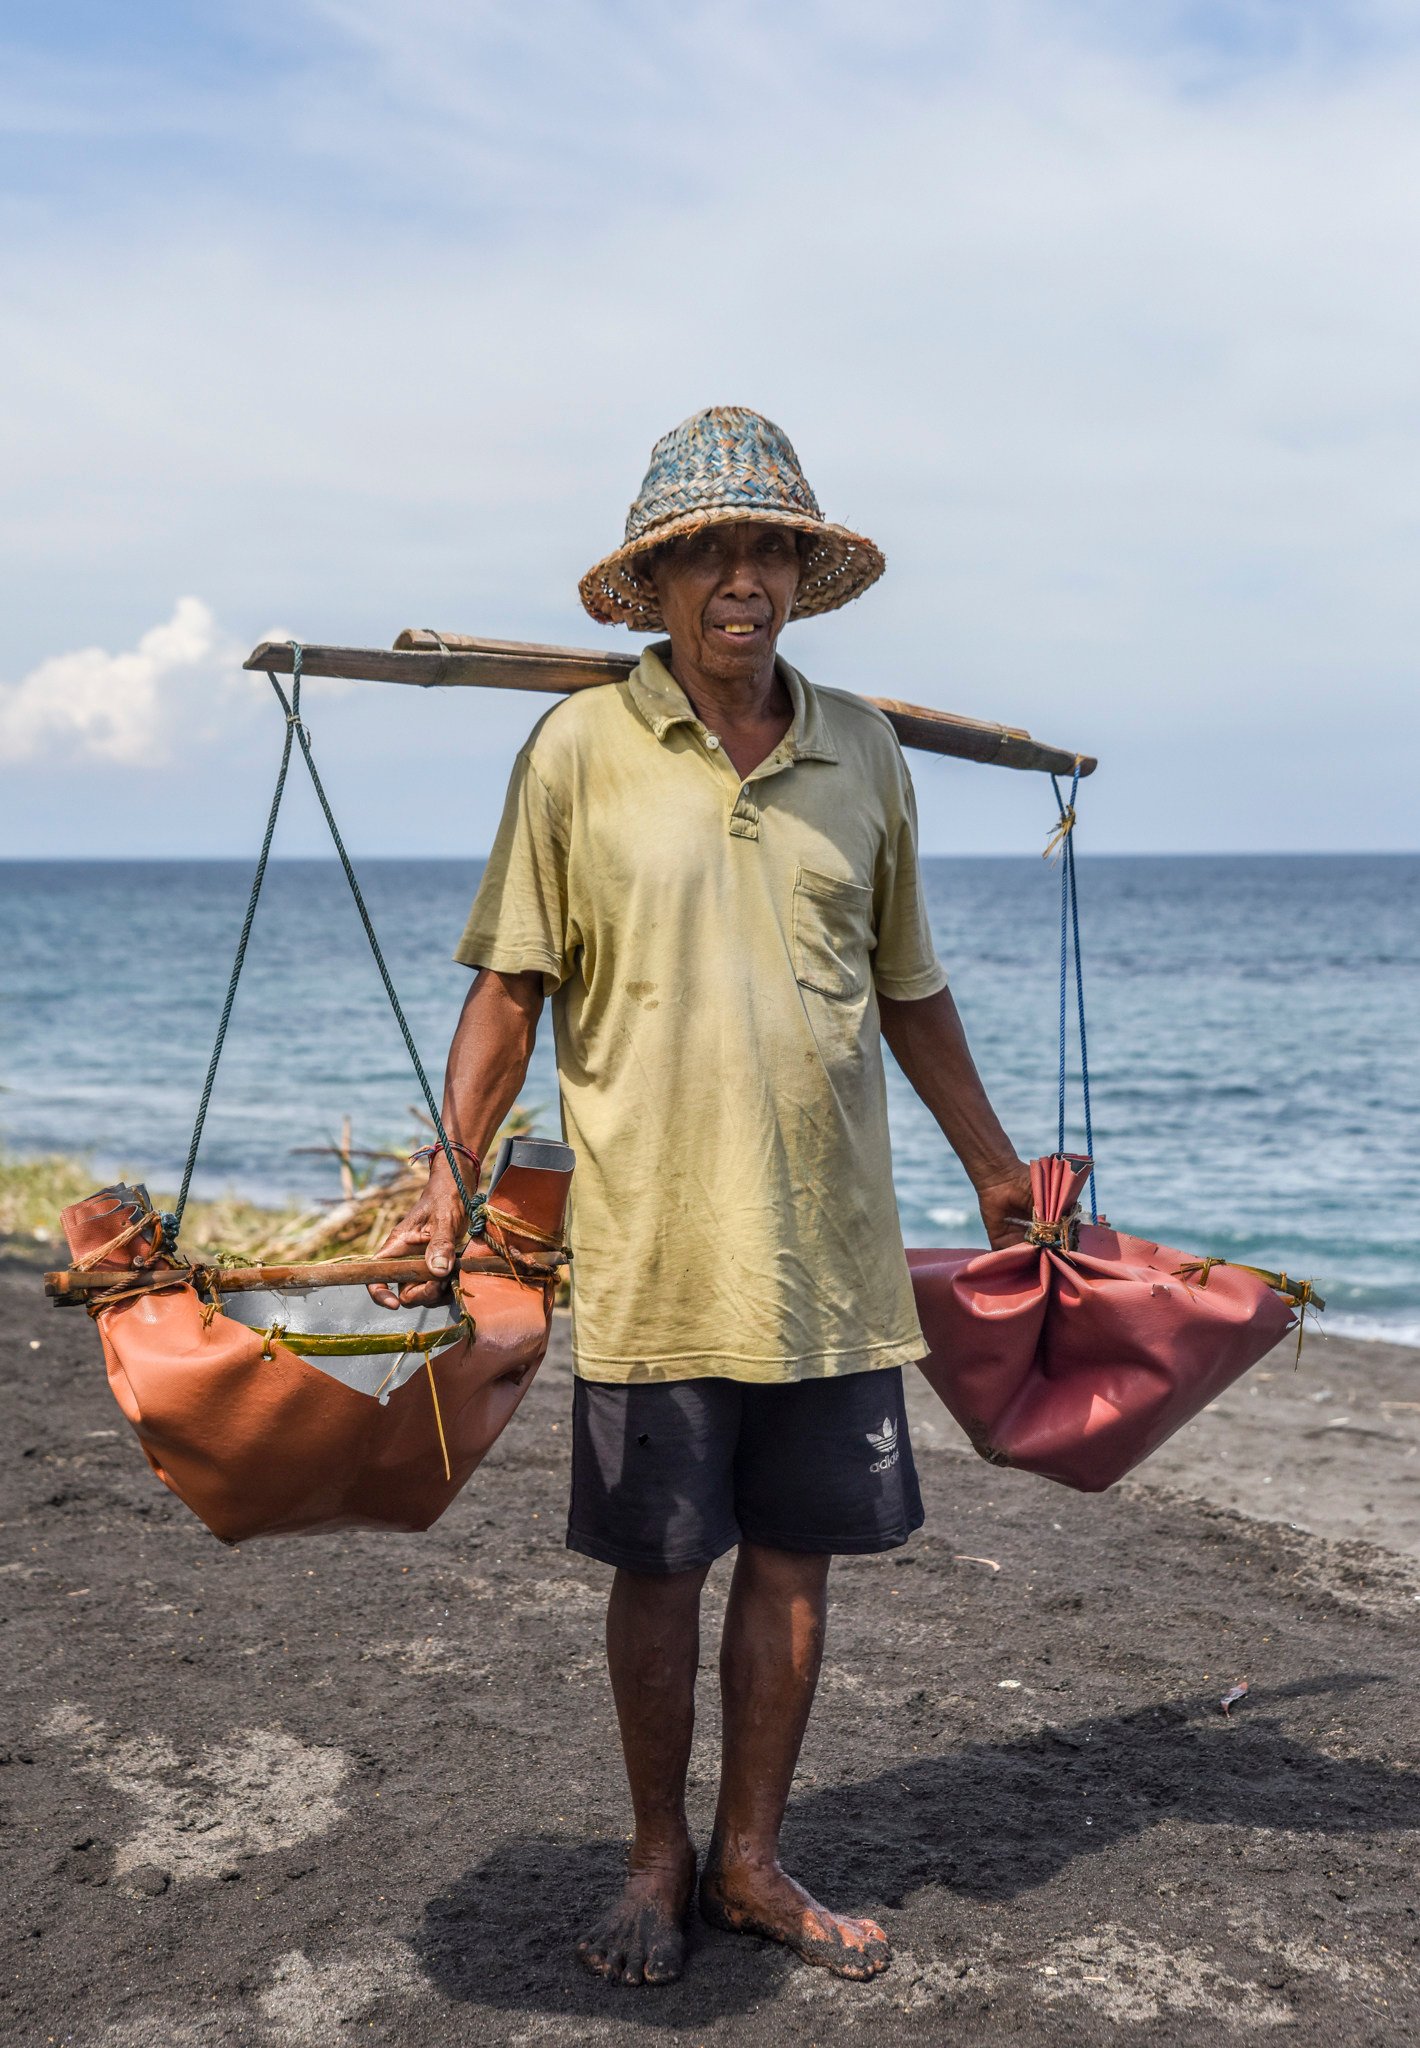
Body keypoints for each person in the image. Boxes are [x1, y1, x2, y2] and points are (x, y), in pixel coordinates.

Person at [372, 407, 1031, 1987]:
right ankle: (656, 1859)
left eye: (769, 550)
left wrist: (1000, 1176)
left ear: (802, 573)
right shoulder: (579, 752)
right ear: (658, 582)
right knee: (660, 1568)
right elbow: (508, 994)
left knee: (794, 1566)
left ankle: (750, 1860)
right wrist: (446, 1187)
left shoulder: (860, 749)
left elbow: (911, 991)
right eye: (709, 554)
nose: (743, 580)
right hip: (661, 1250)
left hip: (831, 1257)